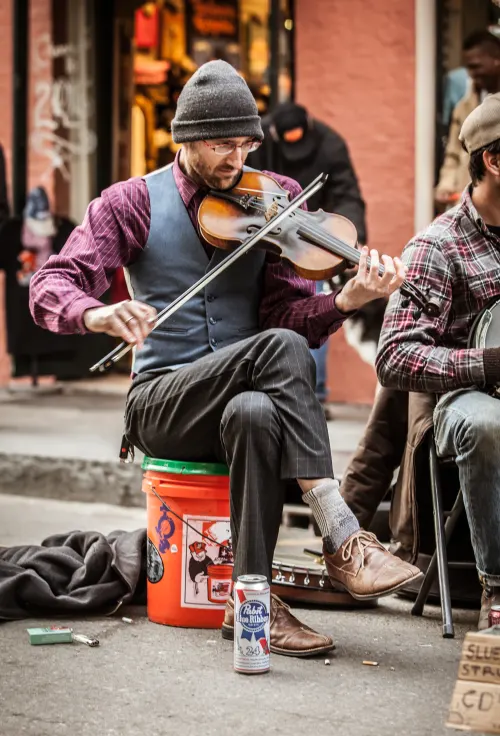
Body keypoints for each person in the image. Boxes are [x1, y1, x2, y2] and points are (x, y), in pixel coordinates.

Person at [29, 60, 420, 658]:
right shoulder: (131, 203)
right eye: (220, 145)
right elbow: (51, 282)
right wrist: (96, 314)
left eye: (245, 145)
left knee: (258, 412)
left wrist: (346, 298)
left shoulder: (277, 201)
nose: (236, 161)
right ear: (184, 138)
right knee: (279, 356)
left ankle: (254, 605)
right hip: (163, 402)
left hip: (238, 400)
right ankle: (342, 535)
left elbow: (287, 321)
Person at [376, 92, 500, 630]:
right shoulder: (439, 245)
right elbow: (394, 356)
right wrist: (487, 364)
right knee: (488, 424)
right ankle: (497, 591)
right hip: (467, 401)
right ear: (493, 160)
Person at [248, 101, 367, 410]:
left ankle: (312, 393)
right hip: (266, 236)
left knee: (315, 301)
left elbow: (347, 194)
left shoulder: (331, 144)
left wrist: (349, 244)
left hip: (316, 237)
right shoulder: (257, 140)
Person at [435, 30, 500, 208]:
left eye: (476, 66)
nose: (471, 74)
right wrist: (446, 185)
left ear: (497, 59)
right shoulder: (464, 107)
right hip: (472, 206)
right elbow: (453, 153)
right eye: (468, 68)